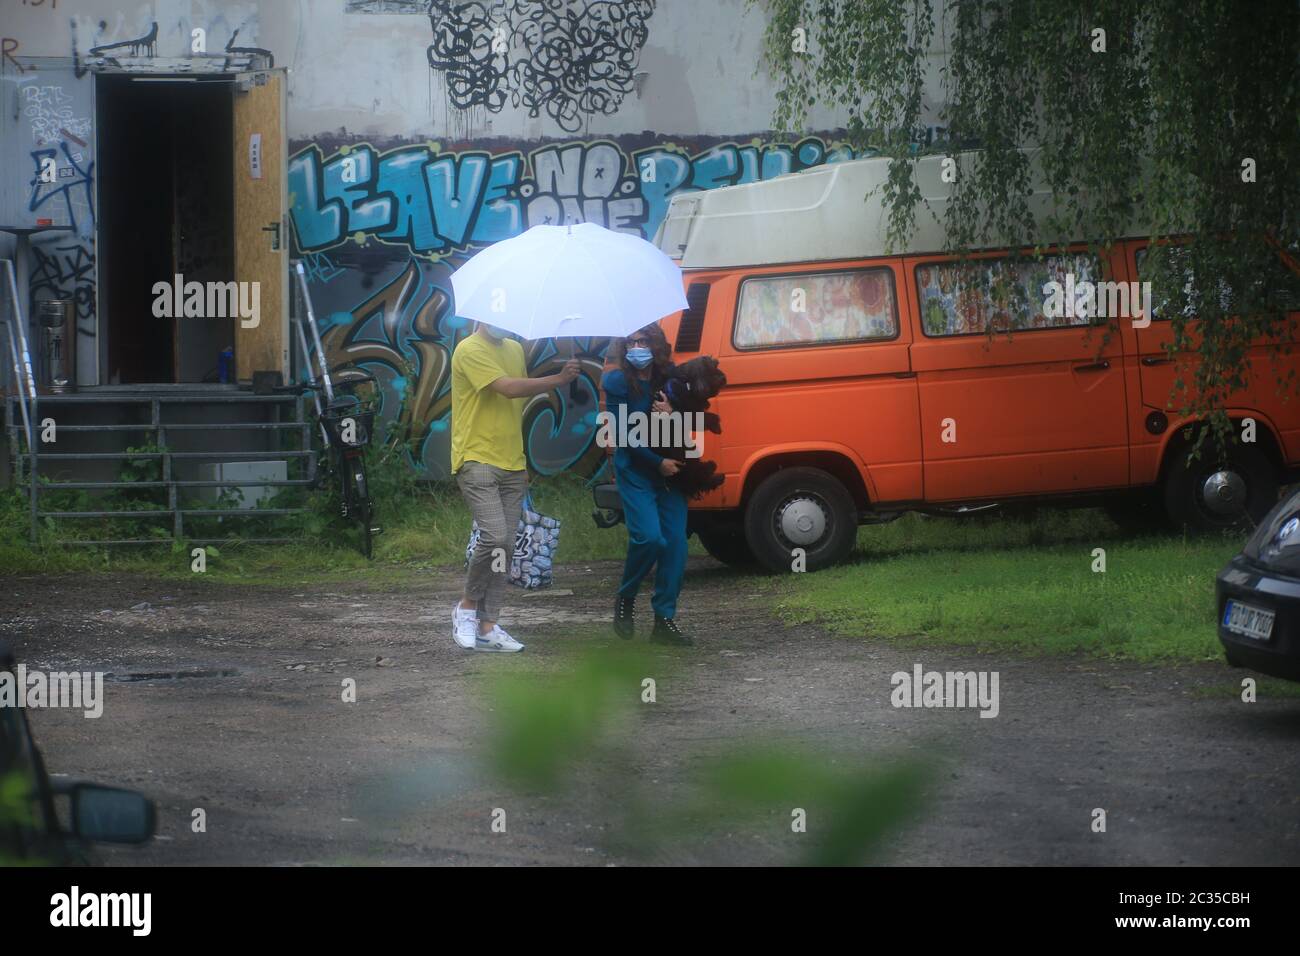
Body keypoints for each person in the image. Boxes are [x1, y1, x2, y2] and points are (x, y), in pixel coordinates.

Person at [450, 321, 579, 652]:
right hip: (476, 457)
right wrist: (559, 379)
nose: (502, 325)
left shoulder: (515, 348)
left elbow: (514, 406)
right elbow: (507, 388)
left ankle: (488, 624)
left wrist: (520, 461)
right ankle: (466, 607)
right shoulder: (470, 349)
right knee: (494, 536)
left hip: (512, 460)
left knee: (505, 545)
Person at [601, 323, 692, 646]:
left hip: (671, 473)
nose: (636, 348)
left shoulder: (671, 377)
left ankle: (663, 620)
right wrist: (657, 463)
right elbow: (622, 434)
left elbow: (695, 416)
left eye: (642, 341)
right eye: (630, 342)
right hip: (638, 471)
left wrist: (674, 411)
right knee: (650, 539)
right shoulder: (616, 382)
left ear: (656, 344)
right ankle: (626, 597)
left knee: (677, 546)